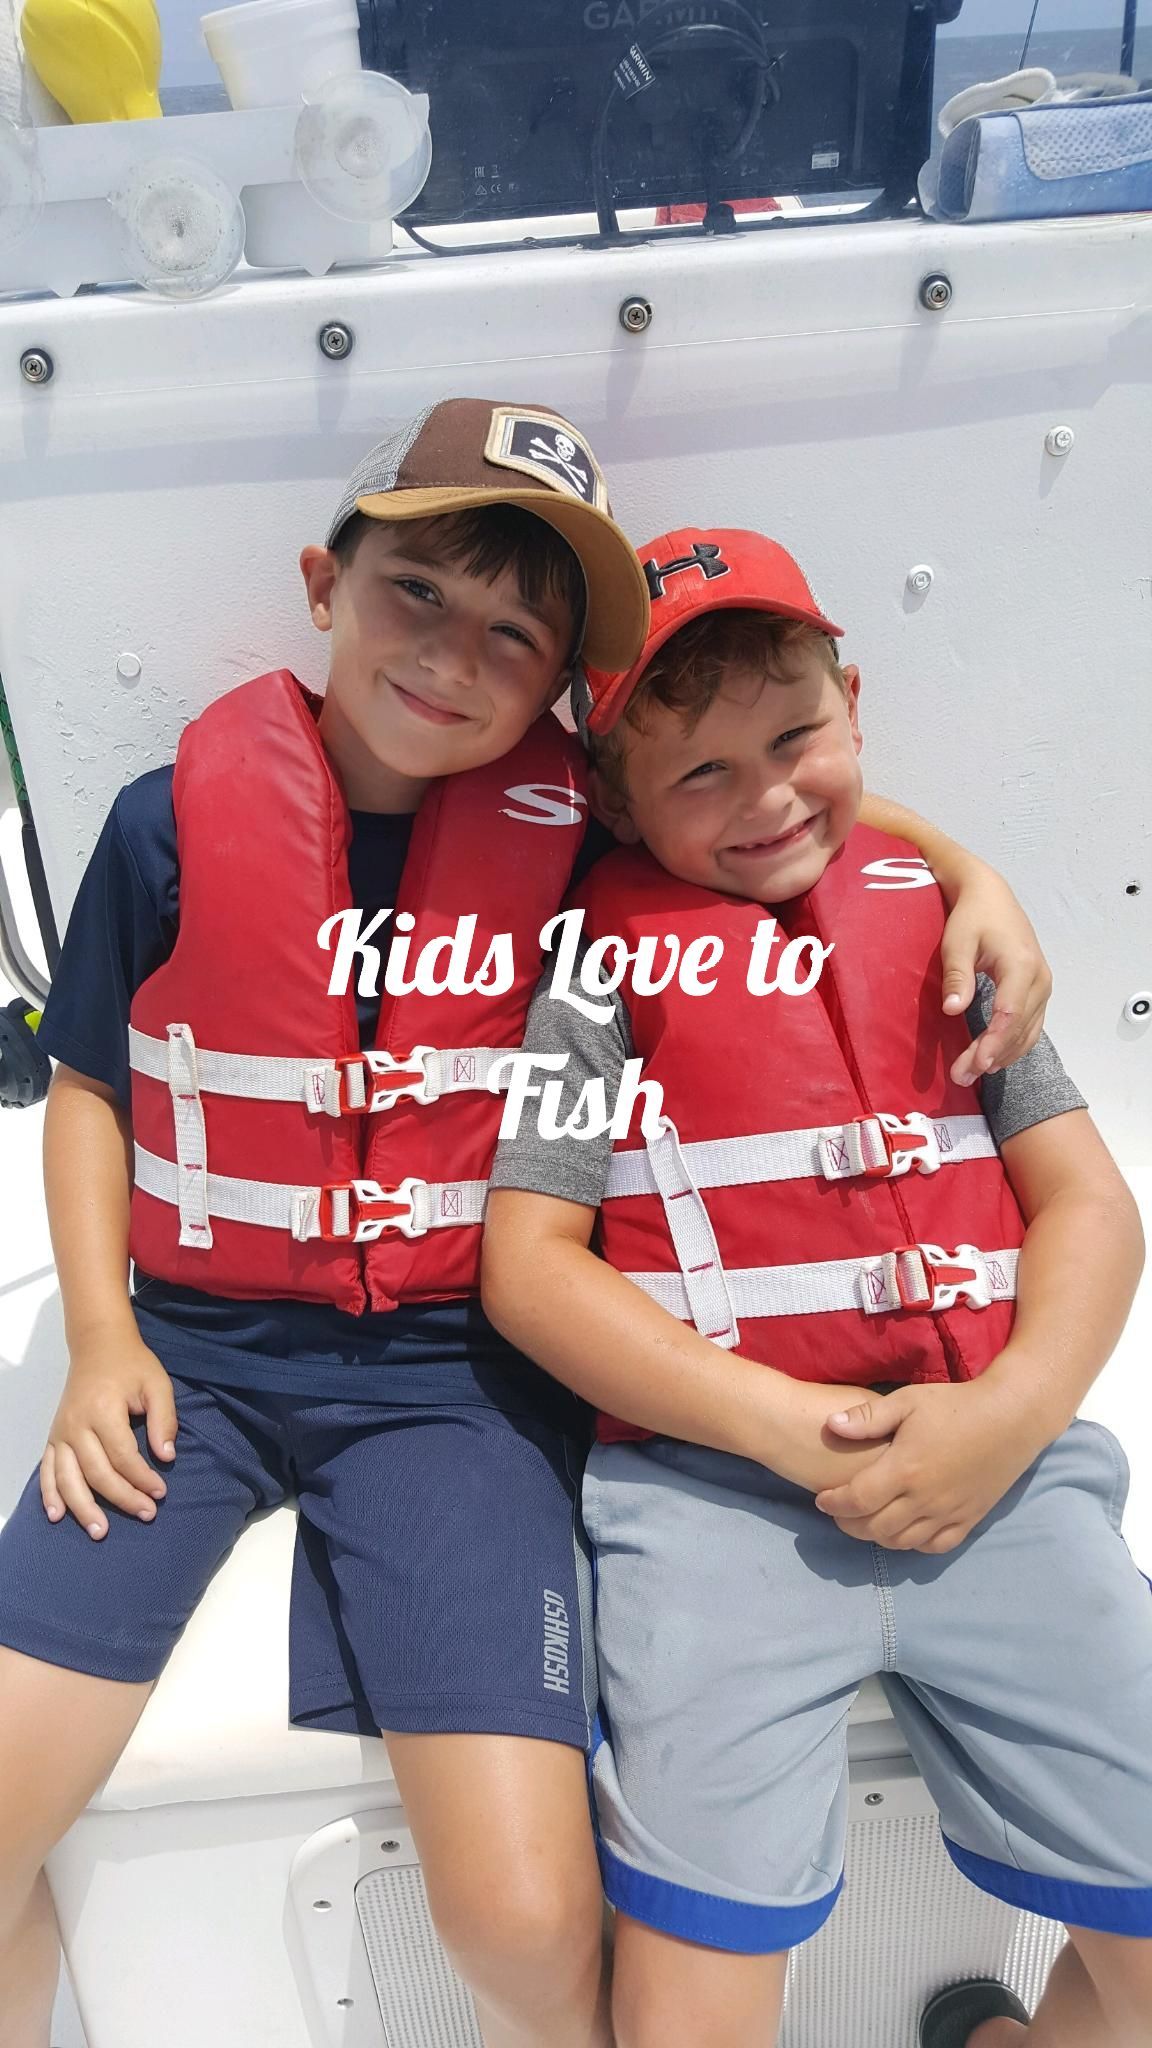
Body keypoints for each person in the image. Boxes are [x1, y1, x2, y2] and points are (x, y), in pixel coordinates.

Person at [0, 425, 1050, 2048]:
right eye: (414, 590)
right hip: (186, 1367)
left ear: (561, 689)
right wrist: (100, 1335)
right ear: (323, 587)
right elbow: (88, 1087)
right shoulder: (162, 825)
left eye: (513, 635)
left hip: (453, 1389)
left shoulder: (573, 840)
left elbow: (776, 811)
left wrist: (977, 874)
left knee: (528, 1915)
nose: (450, 654)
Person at [482, 528, 1152, 2048]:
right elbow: (530, 1268)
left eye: (796, 740)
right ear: (612, 793)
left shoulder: (944, 923)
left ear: (855, 701)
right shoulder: (597, 970)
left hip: (1006, 1475)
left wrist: (1014, 1413)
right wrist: (783, 1429)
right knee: (686, 2014)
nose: (769, 797)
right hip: (717, 1504)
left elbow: (1091, 1206)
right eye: (698, 774)